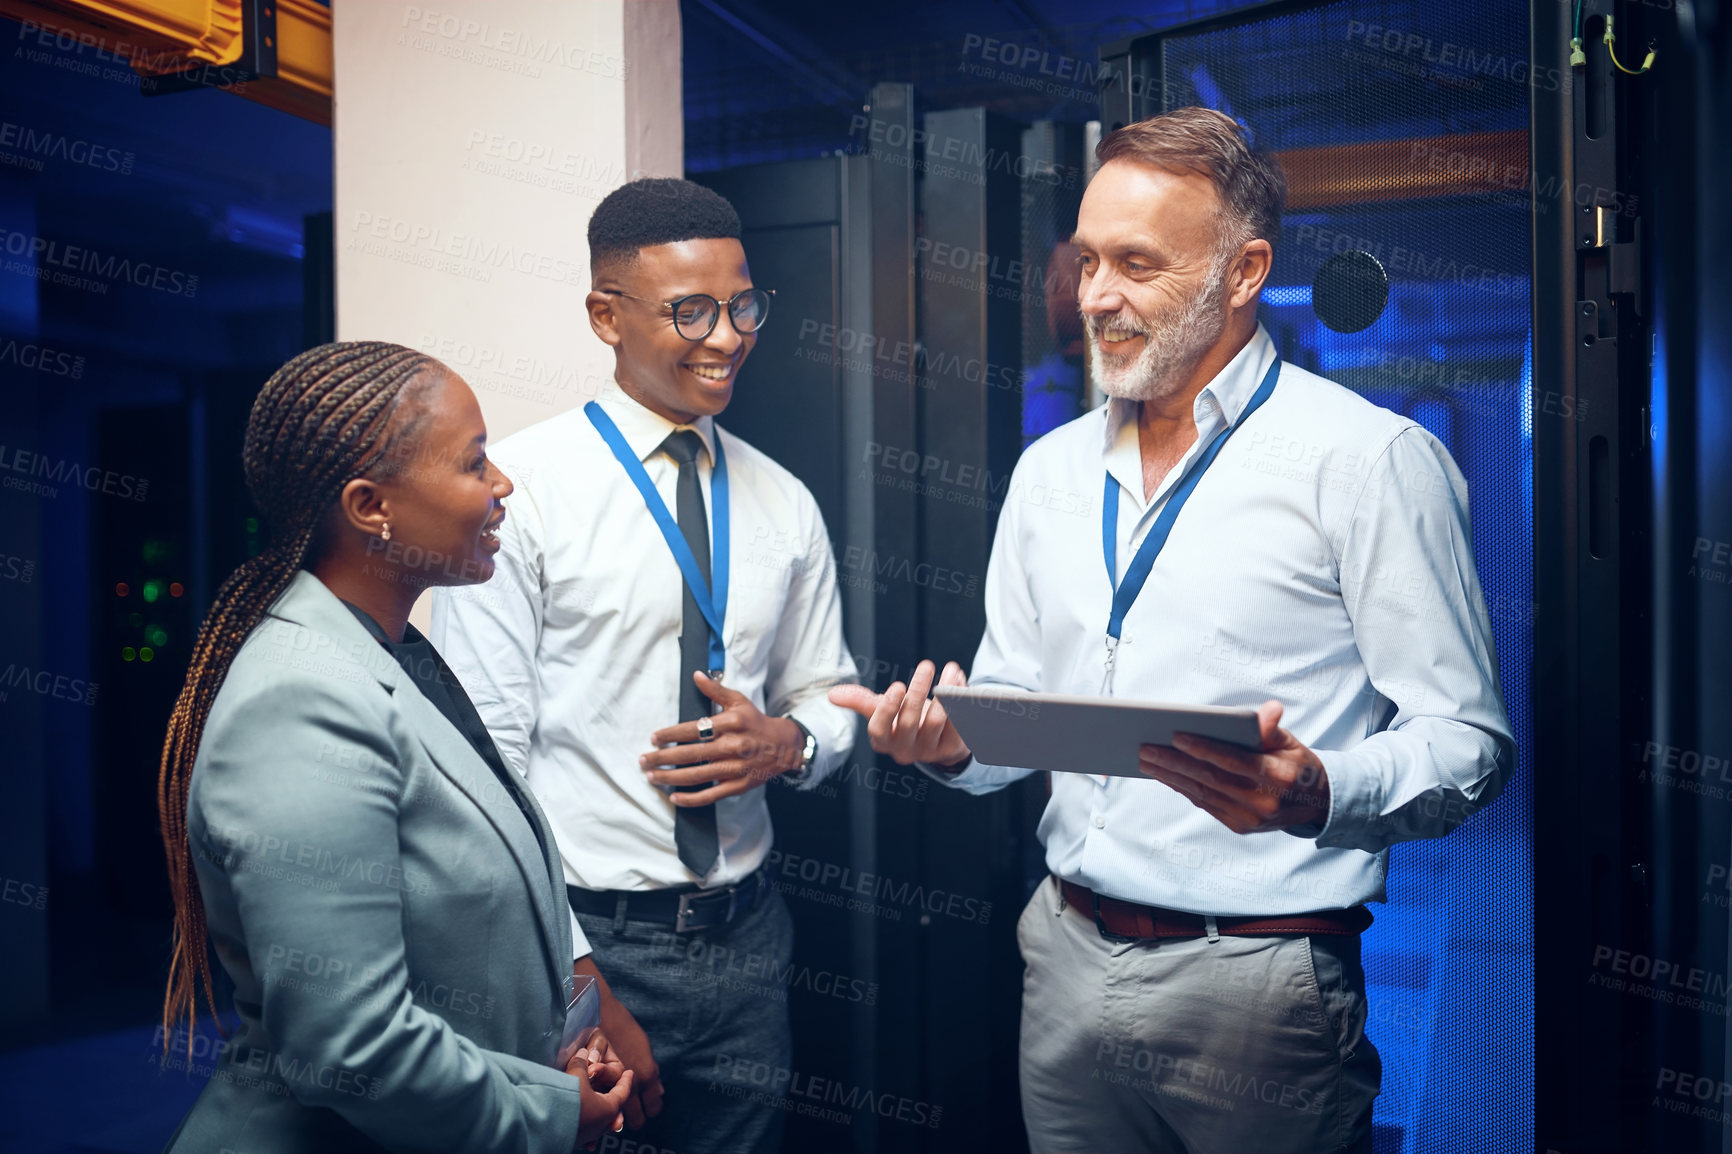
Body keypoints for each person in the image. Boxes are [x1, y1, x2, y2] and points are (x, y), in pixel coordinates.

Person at [832, 107, 1515, 1153]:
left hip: (1259, 986)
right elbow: (1018, 707)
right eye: (1088, 259)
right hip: (1062, 957)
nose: (1095, 296)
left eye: (1136, 264)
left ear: (1243, 273)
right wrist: (953, 741)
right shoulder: (1048, 472)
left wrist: (1318, 789)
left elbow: (1468, 742)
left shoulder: (1367, 462)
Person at [430, 178, 858, 1154]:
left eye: (743, 304)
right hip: (584, 941)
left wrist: (789, 741)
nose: (728, 335)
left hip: (750, 937)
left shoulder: (783, 500)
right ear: (605, 315)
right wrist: (578, 982)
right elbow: (484, 766)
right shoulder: (517, 494)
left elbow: (830, 691)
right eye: (691, 311)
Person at [157, 341, 633, 1153]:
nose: (502, 485)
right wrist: (547, 1114)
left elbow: (471, 927)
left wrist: (556, 1054)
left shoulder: (389, 655)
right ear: (371, 506)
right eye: (474, 463)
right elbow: (350, 1048)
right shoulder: (301, 702)